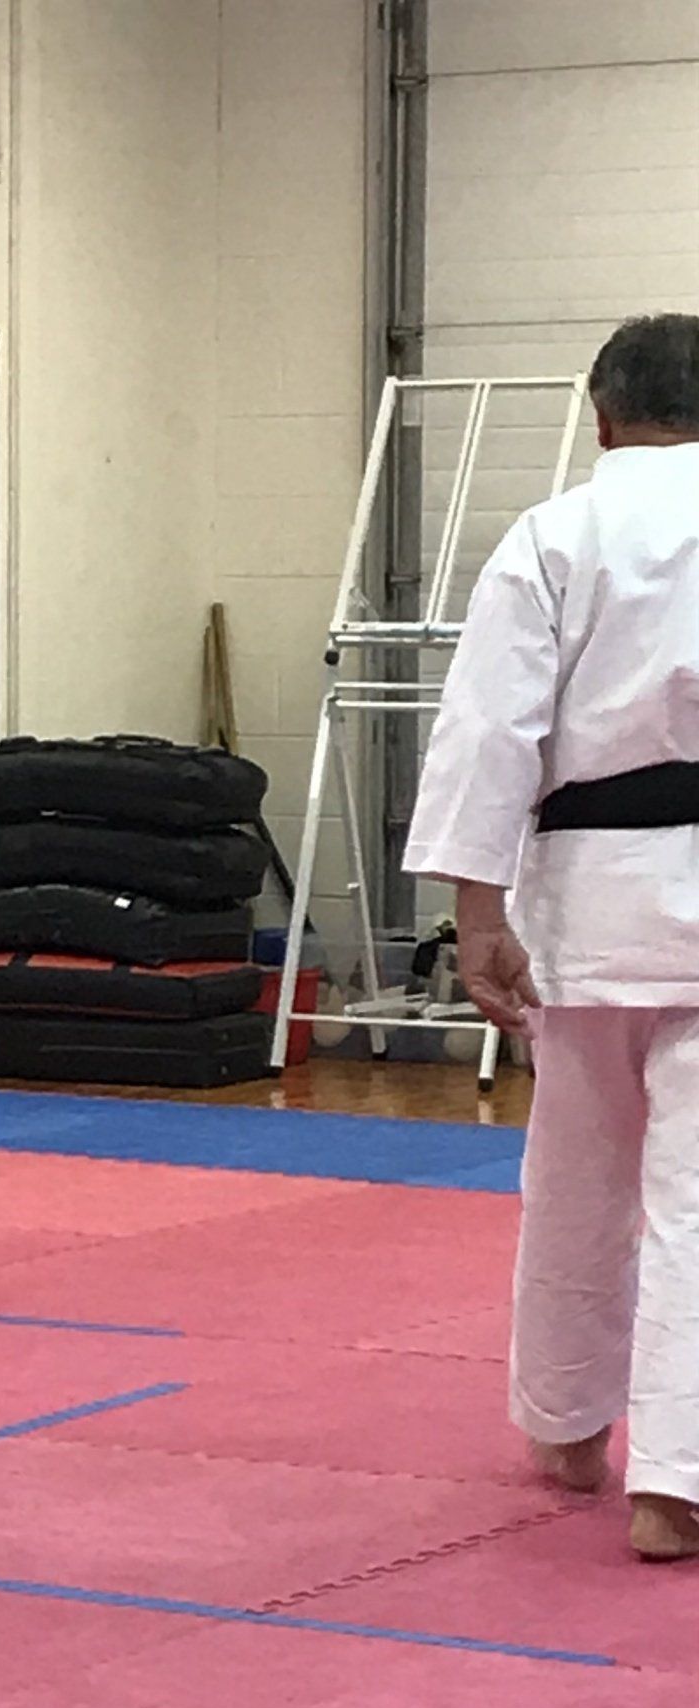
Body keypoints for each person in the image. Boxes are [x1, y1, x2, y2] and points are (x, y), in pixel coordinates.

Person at [406, 310, 699, 1563]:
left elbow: (489, 730)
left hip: (587, 900)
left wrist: (477, 916)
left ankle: (571, 1429)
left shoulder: (554, 533)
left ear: (602, 417)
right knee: (697, 1196)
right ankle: (677, 1484)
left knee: (576, 1177)